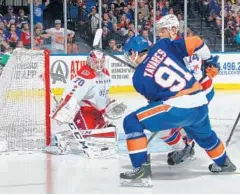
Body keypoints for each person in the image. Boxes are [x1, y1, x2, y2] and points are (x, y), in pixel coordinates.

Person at [120, 35, 236, 187]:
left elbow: (156, 102)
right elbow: (196, 41)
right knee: (206, 137)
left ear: (133, 53)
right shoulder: (163, 45)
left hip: (179, 107)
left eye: (129, 54)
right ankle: (224, 163)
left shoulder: (138, 79)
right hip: (200, 102)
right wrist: (209, 60)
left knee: (132, 121)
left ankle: (140, 170)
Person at [156, 14, 218, 165]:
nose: (159, 34)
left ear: (172, 30)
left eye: (162, 30)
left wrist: (211, 63)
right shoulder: (169, 47)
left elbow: (207, 61)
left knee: (186, 123)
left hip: (200, 91)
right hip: (192, 92)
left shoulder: (182, 45)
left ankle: (188, 148)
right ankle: (187, 147)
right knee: (180, 123)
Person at [49, 49, 127, 154]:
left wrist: (108, 103)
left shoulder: (106, 73)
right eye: (96, 61)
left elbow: (102, 94)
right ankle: (63, 139)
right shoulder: (86, 76)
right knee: (91, 138)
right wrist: (62, 110)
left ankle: (70, 136)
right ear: (90, 61)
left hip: (98, 112)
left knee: (109, 136)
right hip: (85, 111)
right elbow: (71, 93)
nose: (99, 65)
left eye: (101, 62)